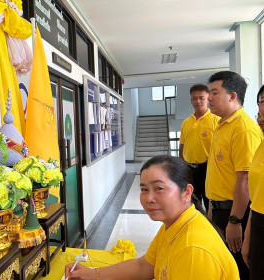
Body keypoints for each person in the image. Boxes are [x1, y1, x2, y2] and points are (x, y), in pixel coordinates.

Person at [65, 155, 239, 280]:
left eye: (159, 189)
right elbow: (144, 267)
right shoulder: (173, 225)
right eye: (144, 189)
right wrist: (92, 274)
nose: (149, 198)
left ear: (187, 192)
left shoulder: (193, 250)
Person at [205, 71, 262, 280]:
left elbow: (245, 181)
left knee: (239, 269)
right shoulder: (222, 125)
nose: (209, 98)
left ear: (232, 96)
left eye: (214, 92)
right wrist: (211, 207)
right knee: (226, 266)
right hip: (221, 209)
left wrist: (236, 221)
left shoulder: (243, 129)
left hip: (236, 212)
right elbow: (220, 173)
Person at [179, 84, 219, 211]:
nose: (198, 101)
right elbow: (182, 145)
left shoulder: (216, 120)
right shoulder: (186, 122)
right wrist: (182, 166)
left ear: (208, 99)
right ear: (191, 101)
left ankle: (210, 228)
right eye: (194, 98)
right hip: (189, 169)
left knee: (210, 203)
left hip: (208, 168)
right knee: (192, 204)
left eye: (201, 98)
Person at [242, 85, 264, 280]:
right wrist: (248, 238)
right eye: (261, 101)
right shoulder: (261, 145)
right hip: (258, 222)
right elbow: (256, 197)